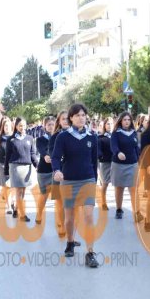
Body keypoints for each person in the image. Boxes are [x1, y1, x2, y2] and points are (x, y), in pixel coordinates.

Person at [51, 104, 100, 268]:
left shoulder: (92, 137)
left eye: (83, 115)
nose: (81, 118)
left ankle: (90, 253)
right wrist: (57, 170)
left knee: (89, 216)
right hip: (69, 181)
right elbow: (56, 157)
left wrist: (95, 179)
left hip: (88, 180)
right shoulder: (63, 137)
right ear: (71, 118)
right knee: (69, 218)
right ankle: (70, 241)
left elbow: (94, 161)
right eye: (77, 115)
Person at [4, 118, 38, 222]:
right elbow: (7, 155)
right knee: (18, 191)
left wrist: (37, 165)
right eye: (20, 125)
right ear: (16, 126)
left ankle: (16, 208)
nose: (22, 127)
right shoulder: (11, 140)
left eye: (24, 125)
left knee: (23, 191)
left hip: (27, 168)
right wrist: (6, 170)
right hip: (15, 167)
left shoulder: (30, 138)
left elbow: (32, 153)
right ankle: (22, 215)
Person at [110, 112, 142, 222]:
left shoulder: (134, 133)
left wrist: (139, 160)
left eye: (128, 120)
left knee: (133, 189)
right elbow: (113, 146)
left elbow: (136, 148)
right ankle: (119, 209)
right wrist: (118, 152)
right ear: (120, 121)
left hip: (133, 164)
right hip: (118, 165)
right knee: (119, 188)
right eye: (124, 120)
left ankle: (137, 212)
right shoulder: (116, 133)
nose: (127, 121)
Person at [48, 111, 70, 237]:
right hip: (58, 172)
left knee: (72, 203)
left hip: (72, 172)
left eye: (67, 118)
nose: (66, 121)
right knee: (60, 202)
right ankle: (61, 224)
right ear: (59, 121)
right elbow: (53, 154)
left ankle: (70, 226)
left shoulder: (77, 134)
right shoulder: (55, 136)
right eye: (63, 119)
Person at [34, 116, 56, 224]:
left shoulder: (59, 138)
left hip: (56, 170)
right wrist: (46, 156)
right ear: (44, 126)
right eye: (49, 125)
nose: (51, 127)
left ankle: (60, 220)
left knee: (58, 196)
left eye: (53, 124)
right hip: (44, 171)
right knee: (44, 195)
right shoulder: (40, 139)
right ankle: (39, 214)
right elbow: (41, 150)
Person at [0, 117, 14, 214]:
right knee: (6, 186)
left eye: (8, 126)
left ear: (11, 127)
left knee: (13, 186)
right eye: (5, 126)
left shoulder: (15, 138)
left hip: (13, 165)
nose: (7, 128)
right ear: (2, 127)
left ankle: (11, 199)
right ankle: (9, 207)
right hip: (2, 165)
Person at [97, 117, 115, 211]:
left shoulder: (116, 136)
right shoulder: (101, 138)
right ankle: (103, 202)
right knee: (105, 183)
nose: (110, 125)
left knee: (118, 184)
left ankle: (118, 204)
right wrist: (101, 156)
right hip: (105, 163)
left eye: (111, 123)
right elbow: (98, 150)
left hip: (116, 163)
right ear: (104, 125)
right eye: (108, 124)